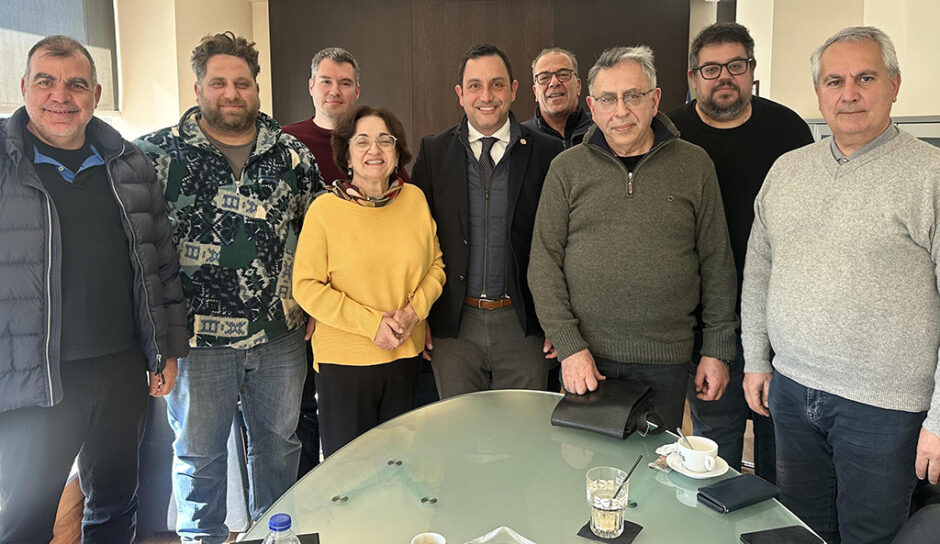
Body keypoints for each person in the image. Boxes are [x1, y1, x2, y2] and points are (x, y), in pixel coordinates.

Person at [742, 26, 940, 544]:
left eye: (865, 78)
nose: (848, 93)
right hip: (791, 390)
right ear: (818, 92)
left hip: (884, 409)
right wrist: (757, 359)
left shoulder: (930, 175)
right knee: (802, 528)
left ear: (894, 85)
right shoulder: (788, 170)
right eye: (834, 81)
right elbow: (759, 270)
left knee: (869, 536)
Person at [135, 32, 323, 544]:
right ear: (198, 88)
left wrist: (316, 306)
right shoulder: (154, 156)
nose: (231, 93)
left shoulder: (292, 156)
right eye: (218, 82)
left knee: (280, 448)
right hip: (196, 345)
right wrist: (153, 338)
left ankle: (274, 537)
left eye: (242, 83)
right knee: (199, 458)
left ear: (257, 89)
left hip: (280, 337)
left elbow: (319, 237)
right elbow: (138, 254)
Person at [0, 35, 188, 543]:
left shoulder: (128, 163)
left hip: (120, 367)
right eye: (46, 81)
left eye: (77, 84)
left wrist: (166, 349)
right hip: (34, 375)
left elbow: (160, 260)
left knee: (116, 501)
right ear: (24, 87)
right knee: (24, 517)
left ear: (96, 94)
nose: (61, 96)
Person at [528, 45, 737, 431]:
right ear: (592, 107)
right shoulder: (566, 169)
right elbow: (543, 264)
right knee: (588, 462)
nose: (621, 111)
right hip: (587, 358)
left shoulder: (694, 165)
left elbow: (716, 262)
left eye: (633, 96)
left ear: (654, 100)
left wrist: (717, 349)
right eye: (608, 99)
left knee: (657, 464)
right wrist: (569, 347)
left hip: (667, 361)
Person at [668, 22, 813, 481]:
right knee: (715, 450)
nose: (724, 77)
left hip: (777, 322)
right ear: (693, 77)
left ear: (751, 70)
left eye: (735, 65)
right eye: (710, 69)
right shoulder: (669, 133)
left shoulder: (787, 129)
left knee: (781, 450)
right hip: (704, 326)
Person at [411, 44, 563, 399]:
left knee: (521, 429)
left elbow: (562, 245)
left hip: (524, 327)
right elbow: (415, 242)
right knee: (460, 429)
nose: (486, 96)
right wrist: (420, 317)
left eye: (497, 84)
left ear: (513, 89)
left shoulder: (547, 151)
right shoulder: (434, 152)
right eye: (475, 86)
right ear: (460, 94)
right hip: (453, 328)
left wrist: (559, 324)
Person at [292, 105, 445, 457]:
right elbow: (306, 286)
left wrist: (413, 314)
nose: (374, 150)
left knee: (401, 467)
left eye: (384, 141)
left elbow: (436, 265)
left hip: (405, 356)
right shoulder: (325, 210)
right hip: (345, 364)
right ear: (346, 155)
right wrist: (372, 324)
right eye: (361, 141)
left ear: (397, 154)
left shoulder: (415, 200)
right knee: (351, 472)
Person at [522, 47, 593, 148]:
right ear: (535, 92)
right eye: (544, 77)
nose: (554, 83)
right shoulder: (521, 137)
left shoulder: (600, 129)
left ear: (578, 86)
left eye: (563, 75)